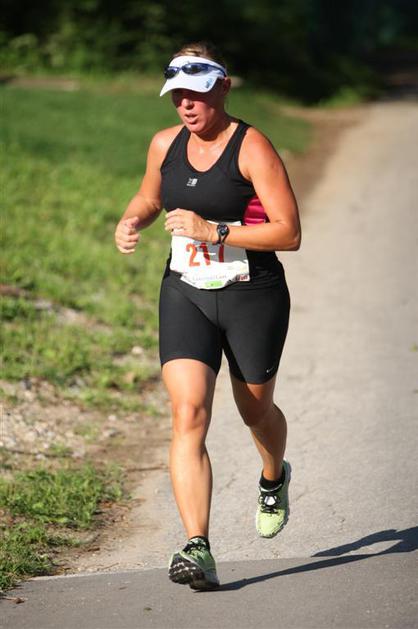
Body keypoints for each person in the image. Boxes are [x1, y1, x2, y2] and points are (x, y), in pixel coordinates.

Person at [114, 41, 301, 591]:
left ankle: (273, 476)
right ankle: (198, 545)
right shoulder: (164, 144)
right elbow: (150, 197)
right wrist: (131, 219)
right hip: (186, 291)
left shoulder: (252, 147)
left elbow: (289, 232)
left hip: (252, 294)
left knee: (254, 410)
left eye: (196, 94)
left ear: (222, 87)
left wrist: (213, 230)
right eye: (177, 96)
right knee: (188, 412)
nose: (186, 106)